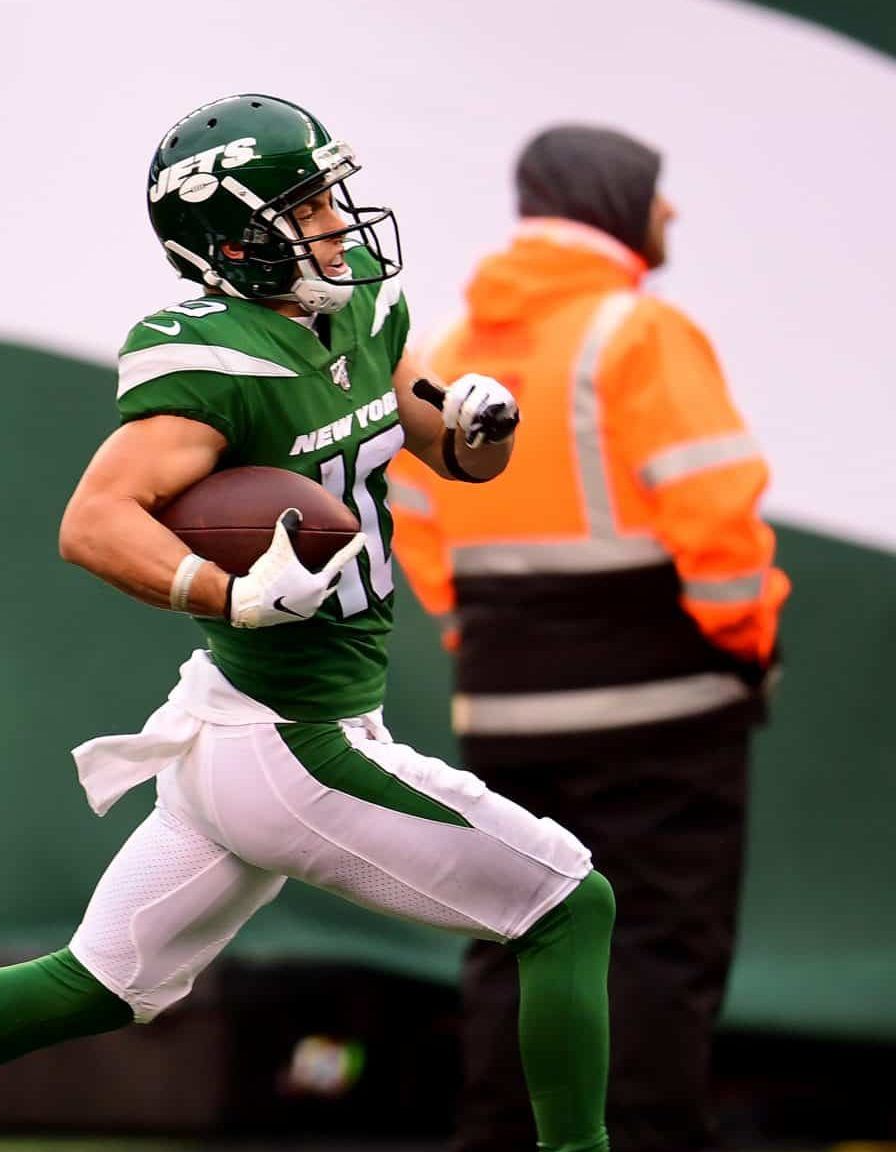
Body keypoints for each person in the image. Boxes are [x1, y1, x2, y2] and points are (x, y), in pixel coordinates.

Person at [0, 94, 616, 1152]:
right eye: (309, 200)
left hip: (239, 732)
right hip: (288, 738)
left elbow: (443, 448)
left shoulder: (362, 315)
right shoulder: (206, 355)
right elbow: (93, 522)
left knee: (95, 979)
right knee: (566, 902)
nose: (338, 217)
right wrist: (227, 590)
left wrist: (478, 425)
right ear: (237, 235)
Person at [387, 124, 787, 1152]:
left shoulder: (437, 348)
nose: (670, 213)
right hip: (664, 710)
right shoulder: (637, 334)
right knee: (652, 951)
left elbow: (412, 524)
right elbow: (717, 523)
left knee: (516, 941)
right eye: (657, 192)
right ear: (612, 199)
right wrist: (742, 640)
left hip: (505, 707)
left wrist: (497, 644)